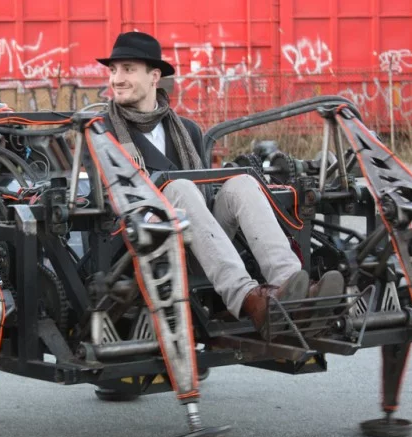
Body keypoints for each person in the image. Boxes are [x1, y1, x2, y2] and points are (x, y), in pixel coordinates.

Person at [96, 31, 344, 338]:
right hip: (141, 246)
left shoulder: (186, 130)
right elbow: (106, 202)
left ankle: (292, 289)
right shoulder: (100, 132)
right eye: (113, 70)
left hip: (199, 238)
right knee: (179, 188)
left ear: (154, 76)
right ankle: (249, 299)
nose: (117, 79)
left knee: (241, 182)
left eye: (128, 69)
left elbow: (206, 194)